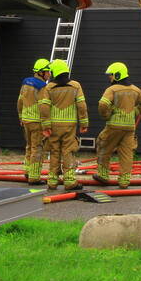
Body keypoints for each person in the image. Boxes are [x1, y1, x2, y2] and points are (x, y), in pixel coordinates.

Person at [93, 62, 141, 189]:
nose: (109, 78)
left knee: (104, 147)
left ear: (117, 75)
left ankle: (103, 175)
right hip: (129, 128)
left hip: (114, 126)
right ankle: (124, 181)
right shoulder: (135, 89)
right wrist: (135, 112)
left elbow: (103, 104)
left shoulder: (112, 89)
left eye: (111, 75)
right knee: (126, 154)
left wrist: (107, 115)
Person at [38, 59, 88, 191]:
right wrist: (84, 122)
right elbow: (81, 105)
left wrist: (46, 126)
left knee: (54, 151)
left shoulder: (49, 87)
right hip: (69, 126)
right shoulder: (76, 86)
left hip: (54, 126)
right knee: (68, 151)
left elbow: (44, 107)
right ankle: (70, 181)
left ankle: (52, 181)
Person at [17, 58, 51, 185]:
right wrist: (46, 123)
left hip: (26, 120)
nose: (49, 74)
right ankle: (34, 177)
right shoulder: (42, 87)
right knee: (37, 149)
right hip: (37, 122)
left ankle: (27, 171)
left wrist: (20, 116)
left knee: (29, 146)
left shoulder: (25, 83)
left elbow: (19, 101)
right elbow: (43, 106)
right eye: (48, 72)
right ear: (41, 72)